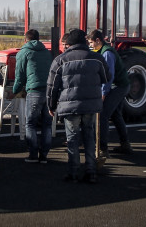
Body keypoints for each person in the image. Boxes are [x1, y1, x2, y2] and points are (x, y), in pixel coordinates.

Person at [47, 29, 110, 183]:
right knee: (89, 137)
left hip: (70, 106)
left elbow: (52, 86)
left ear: (71, 43)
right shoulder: (97, 58)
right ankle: (91, 171)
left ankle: (73, 172)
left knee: (72, 139)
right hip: (91, 105)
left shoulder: (60, 60)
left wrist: (51, 105)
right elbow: (107, 77)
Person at [87, 30, 133, 156]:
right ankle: (125, 144)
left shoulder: (107, 53)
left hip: (118, 86)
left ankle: (103, 148)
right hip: (120, 85)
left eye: (91, 42)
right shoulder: (104, 50)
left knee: (103, 115)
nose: (90, 45)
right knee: (117, 114)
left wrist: (103, 93)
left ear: (98, 40)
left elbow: (109, 76)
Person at [10, 29, 53, 163]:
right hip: (49, 91)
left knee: (30, 123)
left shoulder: (23, 52)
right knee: (47, 124)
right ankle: (44, 155)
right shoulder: (47, 52)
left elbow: (20, 76)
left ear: (25, 39)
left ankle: (33, 154)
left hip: (34, 91)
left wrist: (14, 91)